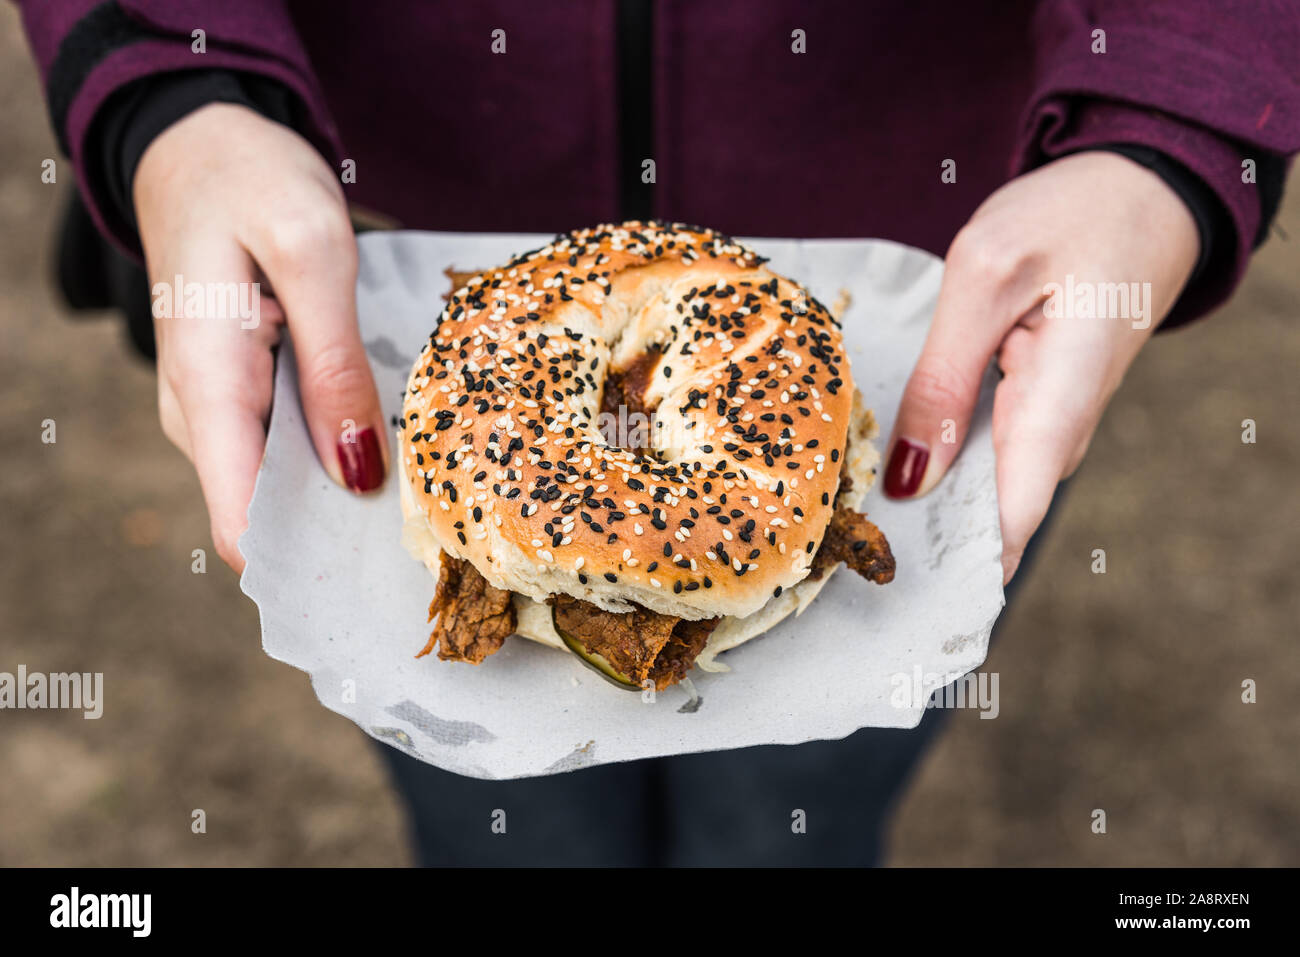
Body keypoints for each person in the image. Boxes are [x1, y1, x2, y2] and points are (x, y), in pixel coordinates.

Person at [16, 0, 1296, 865]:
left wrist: (1163, 126)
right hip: (370, 255)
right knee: (502, 821)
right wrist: (180, 89)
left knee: (791, 822)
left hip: (950, 305)